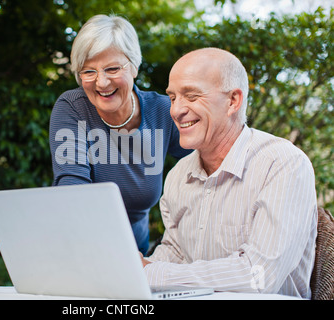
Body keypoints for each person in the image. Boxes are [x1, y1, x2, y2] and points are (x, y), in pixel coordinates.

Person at [140, 48, 318, 298]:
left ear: (233, 101)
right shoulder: (179, 175)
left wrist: (153, 273)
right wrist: (139, 268)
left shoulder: (283, 164)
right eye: (172, 98)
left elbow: (259, 275)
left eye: (191, 96)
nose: (176, 110)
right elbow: (177, 252)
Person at [49, 15, 191, 255]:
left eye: (112, 69)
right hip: (79, 250)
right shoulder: (73, 108)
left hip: (138, 256)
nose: (102, 82)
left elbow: (206, 168)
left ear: (134, 66)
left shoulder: (163, 112)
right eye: (89, 71)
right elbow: (72, 188)